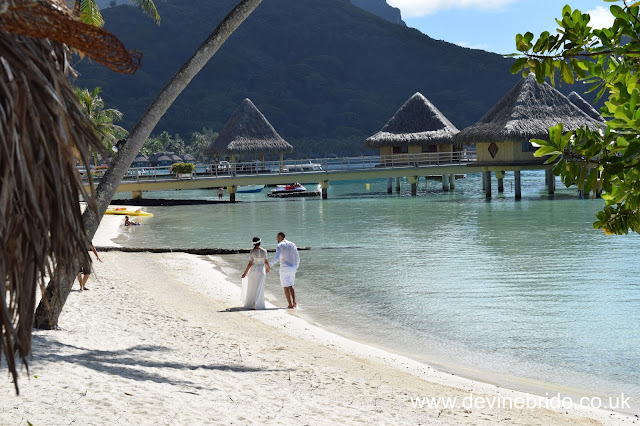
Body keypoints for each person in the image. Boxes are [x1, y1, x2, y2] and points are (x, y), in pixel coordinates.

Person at [269, 232, 300, 308]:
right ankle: (294, 301)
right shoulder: (292, 244)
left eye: (277, 237)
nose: (276, 238)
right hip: (293, 267)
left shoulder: (280, 245)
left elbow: (276, 258)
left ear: (280, 237)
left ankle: (290, 304)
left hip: (284, 268)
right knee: (291, 285)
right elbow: (297, 257)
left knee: (285, 287)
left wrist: (268, 265)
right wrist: (296, 267)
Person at [241, 237, 270, 310]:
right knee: (259, 287)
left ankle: (252, 303)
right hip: (261, 270)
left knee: (252, 287)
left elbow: (250, 264)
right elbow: (265, 261)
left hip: (253, 270)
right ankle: (257, 303)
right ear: (260, 242)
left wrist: (245, 273)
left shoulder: (252, 252)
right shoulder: (264, 251)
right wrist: (268, 268)